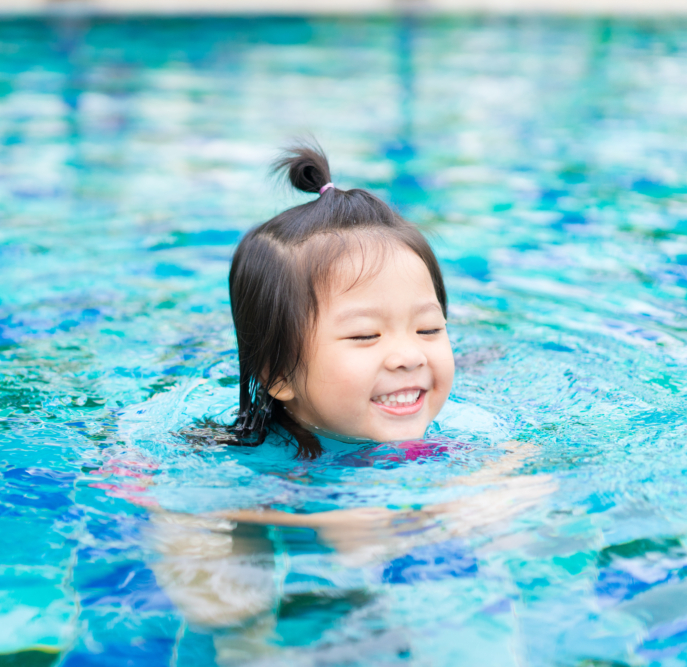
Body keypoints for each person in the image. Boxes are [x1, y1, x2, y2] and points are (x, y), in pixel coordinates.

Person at [111, 142, 552, 656]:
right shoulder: (229, 447)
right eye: (366, 336)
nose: (408, 356)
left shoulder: (464, 430)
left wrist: (479, 500)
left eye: (429, 328)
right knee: (225, 605)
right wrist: (315, 519)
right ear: (278, 376)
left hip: (367, 520)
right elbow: (159, 488)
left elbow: (522, 468)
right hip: (268, 488)